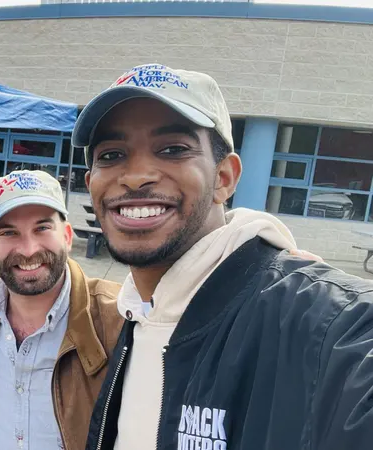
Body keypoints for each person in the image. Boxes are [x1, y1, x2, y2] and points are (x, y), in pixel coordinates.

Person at [72, 64, 373, 449]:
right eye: (112, 155)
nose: (135, 176)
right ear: (91, 184)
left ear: (224, 178)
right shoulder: (134, 315)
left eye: (173, 150)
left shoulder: (320, 324)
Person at [0, 170, 123, 450]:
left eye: (42, 228)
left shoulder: (118, 318)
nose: (28, 249)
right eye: (8, 232)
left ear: (68, 236)